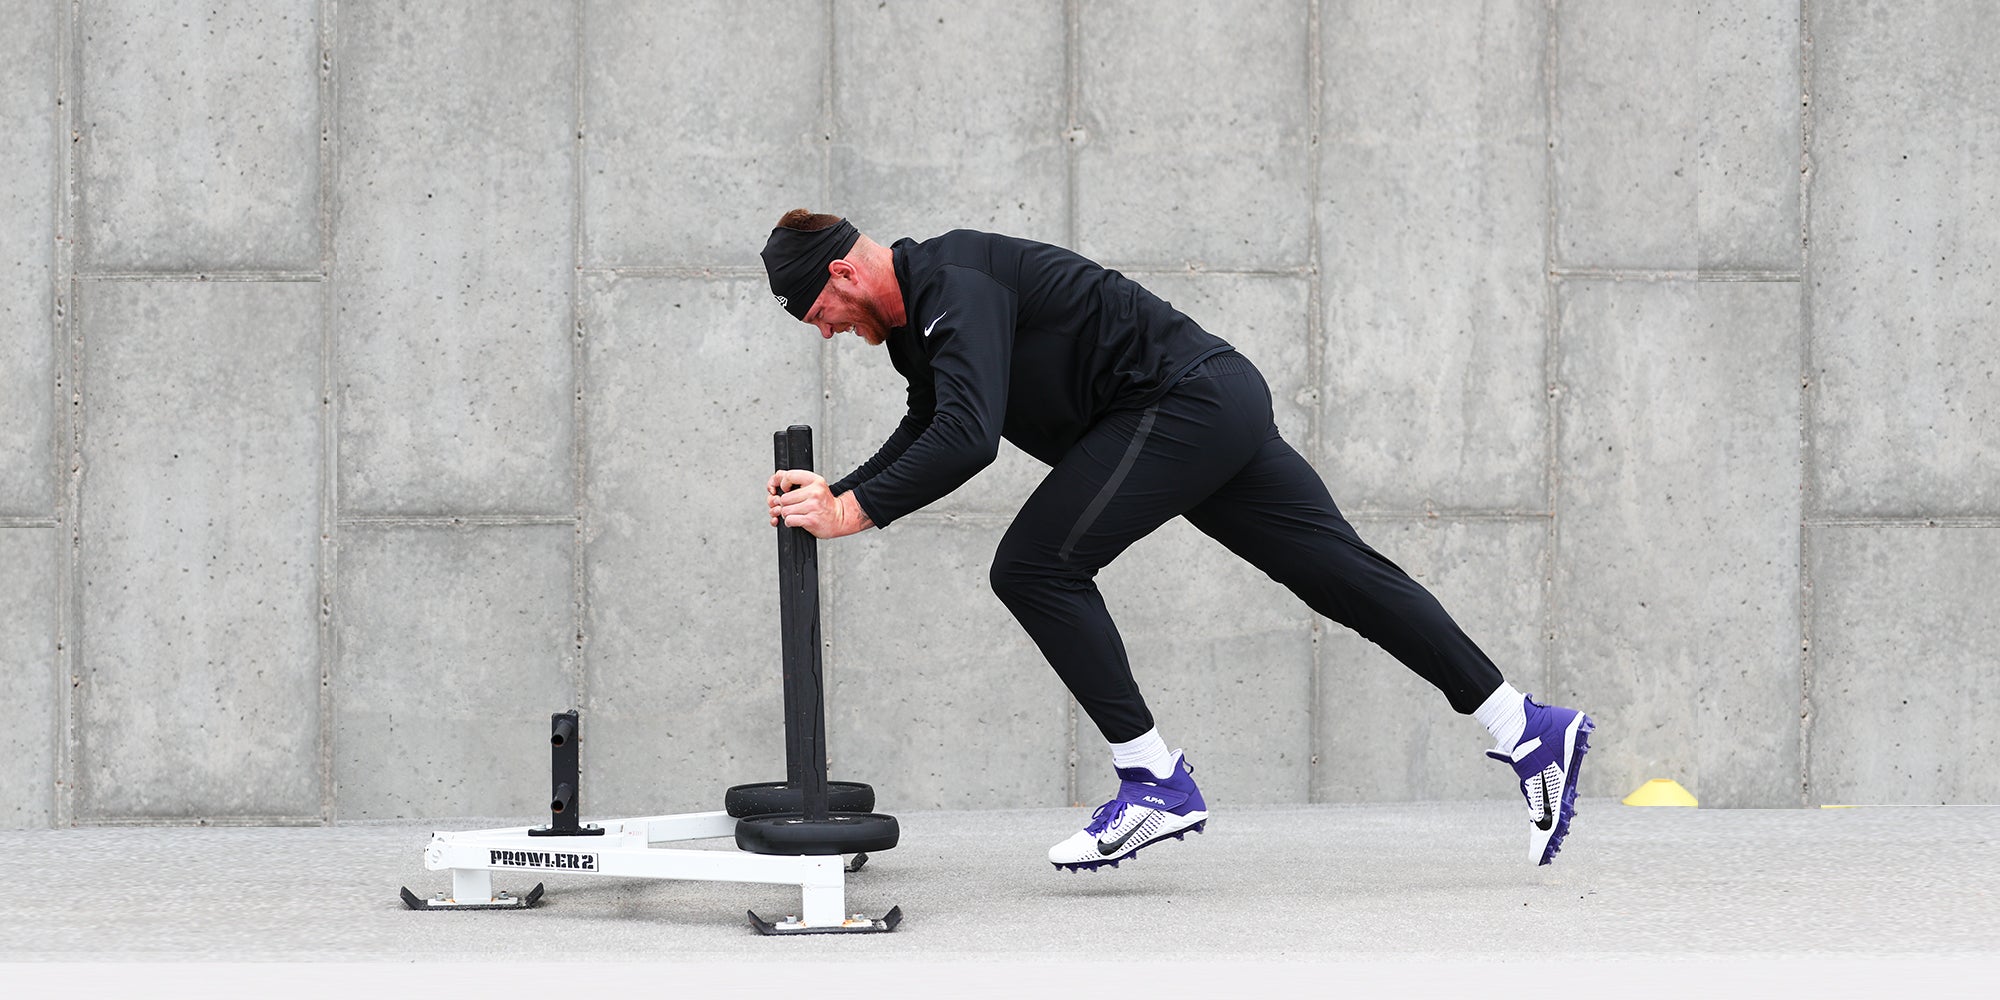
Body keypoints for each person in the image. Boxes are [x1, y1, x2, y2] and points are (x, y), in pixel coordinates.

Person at [758, 209, 1594, 870]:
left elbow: (971, 437)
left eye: (819, 311)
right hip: (1205, 401)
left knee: (1036, 567)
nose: (826, 330)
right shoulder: (920, 325)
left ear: (842, 270)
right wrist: (842, 488)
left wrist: (856, 510)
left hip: (1180, 403)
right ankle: (1523, 724)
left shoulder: (954, 282)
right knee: (1342, 576)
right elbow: (934, 416)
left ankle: (1153, 776)